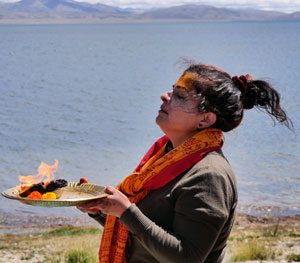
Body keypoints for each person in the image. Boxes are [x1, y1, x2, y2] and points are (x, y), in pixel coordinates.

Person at [77, 63, 291, 263]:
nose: (164, 96)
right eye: (172, 90)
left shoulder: (210, 176)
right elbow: (146, 231)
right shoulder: (165, 156)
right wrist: (102, 210)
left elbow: (187, 257)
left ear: (205, 120)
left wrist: (125, 211)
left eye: (179, 95)